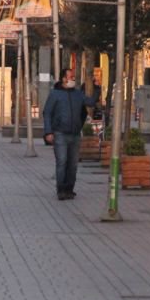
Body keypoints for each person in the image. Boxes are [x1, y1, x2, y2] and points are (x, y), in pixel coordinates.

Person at [42, 68, 97, 201]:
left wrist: (96, 89)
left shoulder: (78, 94)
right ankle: (61, 190)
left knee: (73, 164)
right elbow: (47, 113)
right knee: (62, 162)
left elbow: (90, 102)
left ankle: (69, 189)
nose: (73, 79)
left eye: (73, 77)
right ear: (63, 79)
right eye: (70, 77)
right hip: (60, 133)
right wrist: (48, 132)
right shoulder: (55, 94)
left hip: (75, 134)